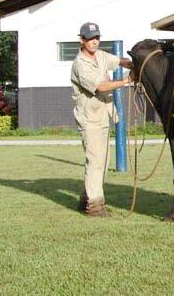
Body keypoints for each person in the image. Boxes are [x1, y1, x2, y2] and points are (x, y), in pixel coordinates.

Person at [71, 22, 132, 217]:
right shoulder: (80, 64)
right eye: (90, 38)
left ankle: (87, 198)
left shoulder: (100, 55)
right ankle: (95, 207)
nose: (94, 41)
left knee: (101, 162)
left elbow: (118, 61)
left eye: (97, 37)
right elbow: (100, 87)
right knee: (96, 162)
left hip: (103, 115)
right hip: (89, 119)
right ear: (81, 40)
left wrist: (136, 62)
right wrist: (126, 81)